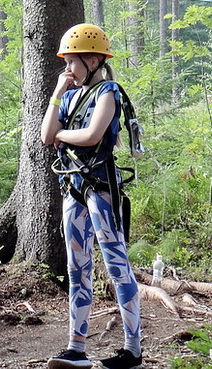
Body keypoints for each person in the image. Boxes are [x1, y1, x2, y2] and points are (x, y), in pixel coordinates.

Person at [40, 24, 142, 369]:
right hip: (73, 188)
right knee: (76, 267)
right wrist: (57, 91)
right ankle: (76, 347)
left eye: (73, 62)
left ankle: (132, 349)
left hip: (101, 187)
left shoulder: (108, 92)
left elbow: (94, 134)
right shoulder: (68, 95)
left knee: (115, 262)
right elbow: (45, 135)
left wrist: (62, 135)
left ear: (94, 59)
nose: (68, 68)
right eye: (66, 62)